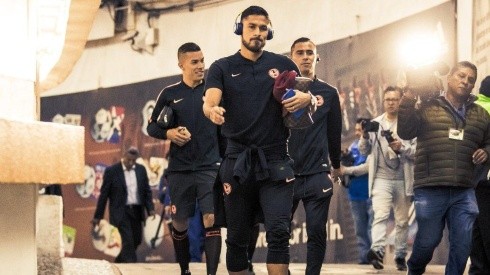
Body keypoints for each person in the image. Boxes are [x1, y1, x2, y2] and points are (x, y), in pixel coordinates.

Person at [203, 6, 315, 275]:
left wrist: (307, 100)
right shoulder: (222, 67)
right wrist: (212, 110)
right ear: (240, 28)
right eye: (251, 26)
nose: (257, 33)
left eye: (262, 28)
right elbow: (210, 102)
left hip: (275, 161)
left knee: (278, 233)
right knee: (237, 239)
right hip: (237, 163)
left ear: (269, 31)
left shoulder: (285, 65)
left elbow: (300, 114)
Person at [397, 61, 490, 275]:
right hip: (430, 187)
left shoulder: (481, 115)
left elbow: (489, 141)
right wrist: (409, 95)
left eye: (470, 79)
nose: (465, 81)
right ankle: (415, 268)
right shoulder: (427, 107)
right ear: (449, 78)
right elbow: (405, 131)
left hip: (465, 189)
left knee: (462, 245)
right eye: (461, 76)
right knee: (428, 241)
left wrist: (487, 152)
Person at [147, 42, 222, 275]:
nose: (201, 66)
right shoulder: (169, 94)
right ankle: (185, 270)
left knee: (212, 218)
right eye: (194, 62)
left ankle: (211, 273)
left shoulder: (213, 91)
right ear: (181, 65)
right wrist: (169, 132)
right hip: (180, 170)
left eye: (202, 60)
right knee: (180, 222)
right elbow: (152, 127)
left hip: (210, 167)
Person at [288, 37, 342, 275]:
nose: (305, 56)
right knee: (278, 231)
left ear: (316, 57)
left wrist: (336, 166)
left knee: (317, 231)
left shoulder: (328, 93)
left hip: (317, 172)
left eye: (310, 52)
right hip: (285, 173)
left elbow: (334, 132)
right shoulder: (279, 91)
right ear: (291, 58)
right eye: (300, 52)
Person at [359, 86, 416, 271]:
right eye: (388, 99)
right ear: (383, 102)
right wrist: (365, 135)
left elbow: (417, 152)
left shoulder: (409, 124)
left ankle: (400, 255)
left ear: (400, 101)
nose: (391, 102)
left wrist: (402, 148)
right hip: (381, 179)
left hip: (403, 179)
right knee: (380, 215)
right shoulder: (375, 123)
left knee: (401, 221)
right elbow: (364, 151)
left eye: (395, 99)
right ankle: (377, 251)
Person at [92, 147, 155, 263]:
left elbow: (147, 191)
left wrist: (150, 209)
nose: (131, 163)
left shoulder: (141, 170)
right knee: (127, 243)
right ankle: (130, 270)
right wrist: (98, 216)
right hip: (120, 213)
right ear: (123, 155)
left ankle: (120, 264)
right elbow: (104, 195)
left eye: (133, 160)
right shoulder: (112, 171)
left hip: (136, 212)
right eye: (128, 160)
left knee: (136, 241)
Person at [340, 118, 373, 265]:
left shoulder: (371, 146)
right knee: (360, 229)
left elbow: (366, 167)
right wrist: (345, 159)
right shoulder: (352, 147)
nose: (357, 133)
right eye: (356, 130)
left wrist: (346, 169)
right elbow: (350, 166)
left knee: (373, 227)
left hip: (372, 193)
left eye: (360, 130)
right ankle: (363, 258)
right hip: (354, 193)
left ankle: (374, 257)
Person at [470, 75, 490, 274]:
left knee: (477, 229)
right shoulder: (485, 111)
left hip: (473, 179)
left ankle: (477, 269)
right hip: (485, 180)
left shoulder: (472, 109)